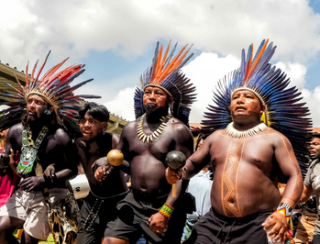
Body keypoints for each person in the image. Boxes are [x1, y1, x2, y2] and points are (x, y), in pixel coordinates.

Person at [166, 39, 311, 244]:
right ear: (230, 107)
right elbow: (192, 164)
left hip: (258, 224)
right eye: (236, 98)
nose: (240, 100)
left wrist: (284, 212)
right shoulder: (216, 138)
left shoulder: (275, 139)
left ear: (262, 108)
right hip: (213, 223)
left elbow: (294, 176)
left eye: (248, 97)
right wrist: (177, 172)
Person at [96, 41, 196, 244]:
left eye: (157, 93)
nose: (151, 97)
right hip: (133, 202)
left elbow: (183, 177)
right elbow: (122, 161)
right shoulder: (131, 128)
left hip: (165, 204)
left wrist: (166, 211)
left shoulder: (178, 131)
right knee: (109, 241)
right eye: (147, 92)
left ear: (169, 101)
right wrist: (105, 167)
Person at [0, 52, 99, 244]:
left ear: (49, 108)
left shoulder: (59, 136)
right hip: (23, 192)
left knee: (29, 241)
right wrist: (5, 162)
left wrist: (43, 179)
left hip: (51, 193)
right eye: (30, 101)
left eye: (38, 102)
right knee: (1, 230)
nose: (31, 105)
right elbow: (6, 157)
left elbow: (71, 170)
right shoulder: (15, 131)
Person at [75, 102, 129, 244]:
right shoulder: (78, 143)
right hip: (91, 203)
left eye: (92, 122)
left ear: (104, 126)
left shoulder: (115, 141)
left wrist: (111, 160)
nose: (86, 125)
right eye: (83, 121)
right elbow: (68, 167)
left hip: (118, 203)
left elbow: (132, 166)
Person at [299, 132, 320, 244]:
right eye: (309, 144)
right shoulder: (313, 166)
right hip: (315, 224)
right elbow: (303, 196)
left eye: (315, 144)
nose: (311, 146)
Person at [0, 129, 20, 208]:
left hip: (14, 202)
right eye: (11, 127)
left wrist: (12, 165)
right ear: (1, 132)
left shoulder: (19, 154)